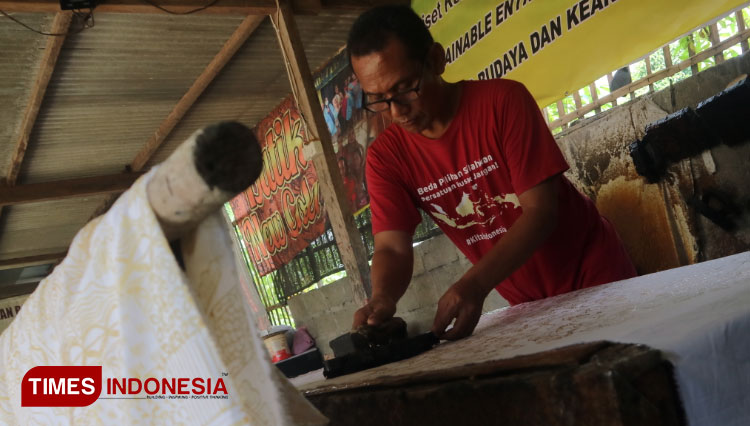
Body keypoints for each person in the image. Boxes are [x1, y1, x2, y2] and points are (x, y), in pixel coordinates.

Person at [347, 6, 637, 341]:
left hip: (597, 275)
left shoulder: (502, 102)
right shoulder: (386, 158)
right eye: (379, 100)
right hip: (527, 304)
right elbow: (393, 248)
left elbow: (541, 212)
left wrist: (474, 284)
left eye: (406, 88)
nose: (397, 112)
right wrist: (382, 297)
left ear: (436, 60)